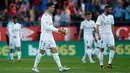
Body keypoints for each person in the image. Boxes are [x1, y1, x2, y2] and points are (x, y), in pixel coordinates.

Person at [32, 3, 70, 72]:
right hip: (45, 37)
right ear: (48, 7)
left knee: (55, 50)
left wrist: (58, 31)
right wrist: (57, 30)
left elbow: (51, 26)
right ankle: (34, 67)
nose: (53, 8)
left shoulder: (50, 16)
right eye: (52, 7)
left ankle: (60, 67)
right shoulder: (45, 16)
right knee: (41, 52)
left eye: (54, 7)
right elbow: (46, 27)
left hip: (50, 37)